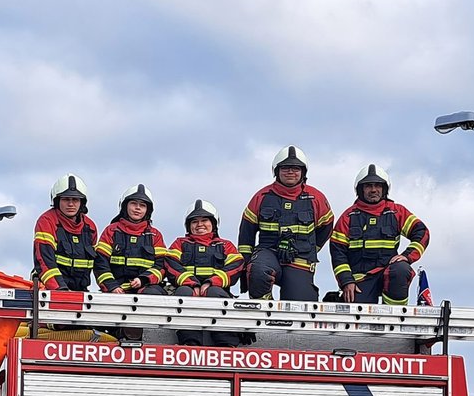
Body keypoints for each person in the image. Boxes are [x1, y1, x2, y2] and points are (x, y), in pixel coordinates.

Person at [239, 145, 335, 301]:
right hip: (268, 251)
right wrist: (246, 262)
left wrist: (310, 248)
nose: (290, 172)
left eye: (296, 168)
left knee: (299, 304)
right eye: (285, 168)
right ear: (276, 171)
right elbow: (246, 232)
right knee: (258, 271)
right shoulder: (262, 196)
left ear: (303, 172)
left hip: (300, 257)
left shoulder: (315, 198)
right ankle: (264, 308)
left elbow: (326, 226)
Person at [328, 164, 430, 305]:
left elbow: (421, 232)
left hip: (389, 273)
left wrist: (407, 256)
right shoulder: (348, 217)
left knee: (401, 269)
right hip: (360, 279)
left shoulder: (396, 212)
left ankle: (395, 315)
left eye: (378, 186)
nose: (373, 190)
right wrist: (346, 281)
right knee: (358, 315)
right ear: (360, 189)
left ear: (384, 189)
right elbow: (338, 254)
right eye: (368, 186)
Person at [165, 199, 245, 347]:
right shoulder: (180, 243)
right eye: (194, 221)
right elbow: (171, 264)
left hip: (217, 291)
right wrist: (192, 284)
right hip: (188, 289)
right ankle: (189, 343)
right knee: (183, 292)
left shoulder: (225, 245)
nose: (199, 224)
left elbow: (237, 265)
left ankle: (226, 345)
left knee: (215, 293)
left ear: (213, 224)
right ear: (188, 225)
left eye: (204, 220)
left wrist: (211, 282)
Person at [96, 184, 168, 294]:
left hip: (145, 287)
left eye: (142, 205)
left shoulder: (155, 235)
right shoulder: (111, 231)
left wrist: (143, 279)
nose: (138, 208)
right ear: (125, 206)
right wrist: (112, 286)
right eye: (134, 203)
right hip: (115, 289)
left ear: (147, 210)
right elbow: (100, 263)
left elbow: (161, 266)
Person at [33, 174, 99, 290]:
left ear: (82, 202)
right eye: (66, 199)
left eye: (75, 199)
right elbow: (44, 259)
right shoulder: (47, 221)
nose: (71, 204)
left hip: (80, 291)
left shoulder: (90, 227)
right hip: (51, 289)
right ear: (57, 201)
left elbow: (98, 263)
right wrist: (59, 288)